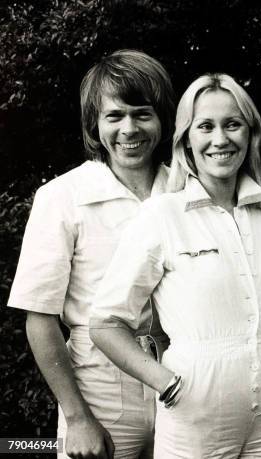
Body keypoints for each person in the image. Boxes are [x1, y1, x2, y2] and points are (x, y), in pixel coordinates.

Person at [89, 73, 261, 458]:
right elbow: (105, 323)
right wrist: (168, 384)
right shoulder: (161, 215)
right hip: (196, 413)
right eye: (205, 126)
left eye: (232, 124)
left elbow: (257, 316)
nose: (220, 139)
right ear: (187, 138)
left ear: (250, 133)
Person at [7, 49, 176, 458]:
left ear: (163, 119)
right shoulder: (62, 197)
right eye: (114, 116)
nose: (129, 129)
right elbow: (40, 318)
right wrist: (78, 418)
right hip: (99, 389)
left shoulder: (187, 193)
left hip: (181, 380)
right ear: (94, 124)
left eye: (142, 114)